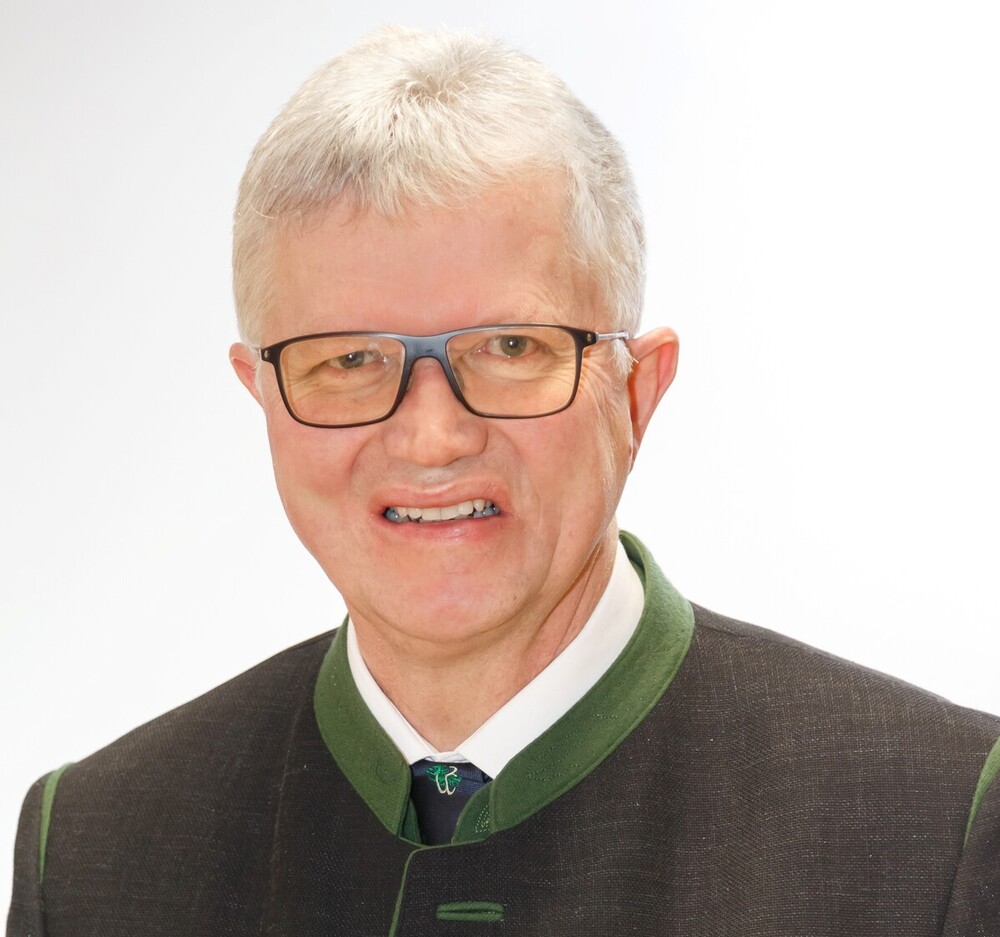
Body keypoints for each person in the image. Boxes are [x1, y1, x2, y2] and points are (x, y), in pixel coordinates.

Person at [6, 25, 999, 937]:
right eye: (347, 360)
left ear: (637, 390)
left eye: (511, 346)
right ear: (262, 396)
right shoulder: (93, 856)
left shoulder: (935, 832)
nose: (432, 436)